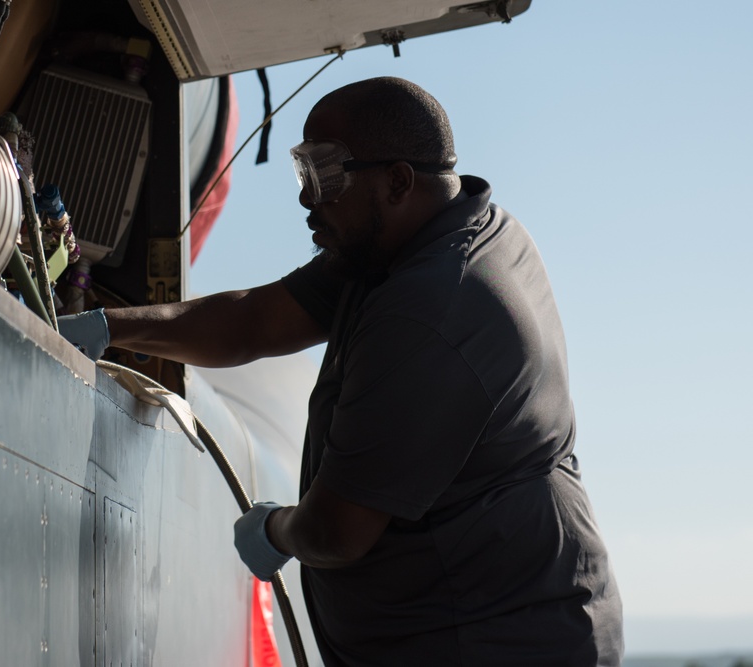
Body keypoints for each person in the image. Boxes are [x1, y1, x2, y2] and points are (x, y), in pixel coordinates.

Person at [58, 77, 624, 666]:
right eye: (303, 173)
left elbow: (335, 533)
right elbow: (253, 322)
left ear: (398, 181)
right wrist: (110, 328)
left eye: (325, 175)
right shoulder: (412, 240)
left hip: (498, 643)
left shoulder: (433, 307)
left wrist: (275, 530)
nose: (307, 199)